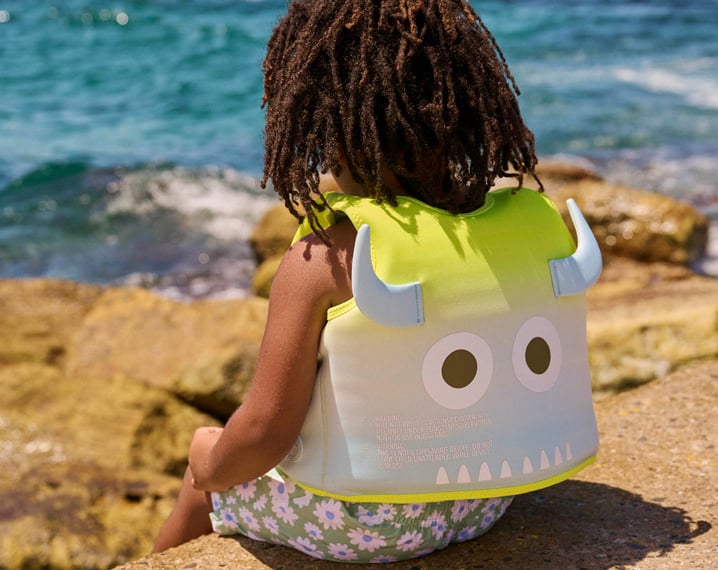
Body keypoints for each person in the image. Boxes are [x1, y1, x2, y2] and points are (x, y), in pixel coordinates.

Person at [152, 0, 601, 562]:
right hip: (488, 493)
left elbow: (266, 432)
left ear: (315, 112)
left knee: (207, 470)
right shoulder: (522, 220)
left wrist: (209, 463)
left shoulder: (327, 256)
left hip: (364, 521)